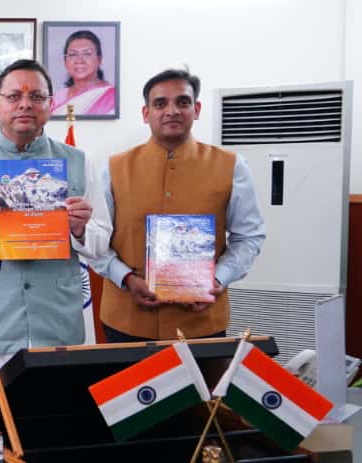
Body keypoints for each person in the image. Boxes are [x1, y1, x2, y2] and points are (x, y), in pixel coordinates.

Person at [0, 59, 111, 402]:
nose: (25, 104)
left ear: (50, 104)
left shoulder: (78, 161)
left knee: (52, 421)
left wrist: (81, 230)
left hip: (55, 323)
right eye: (14, 96)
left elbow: (101, 243)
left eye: (36, 96)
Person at [90, 68, 265, 342]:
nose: (172, 111)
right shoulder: (112, 169)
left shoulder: (232, 166)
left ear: (196, 109)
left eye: (182, 102)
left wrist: (218, 279)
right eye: (160, 103)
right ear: (146, 113)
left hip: (202, 323)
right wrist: (126, 278)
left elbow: (249, 236)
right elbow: (95, 240)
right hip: (127, 320)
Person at [50, 30, 116, 116]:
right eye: (73, 54)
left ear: (99, 59)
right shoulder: (56, 99)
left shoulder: (113, 96)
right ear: (65, 62)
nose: (79, 60)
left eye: (87, 54)